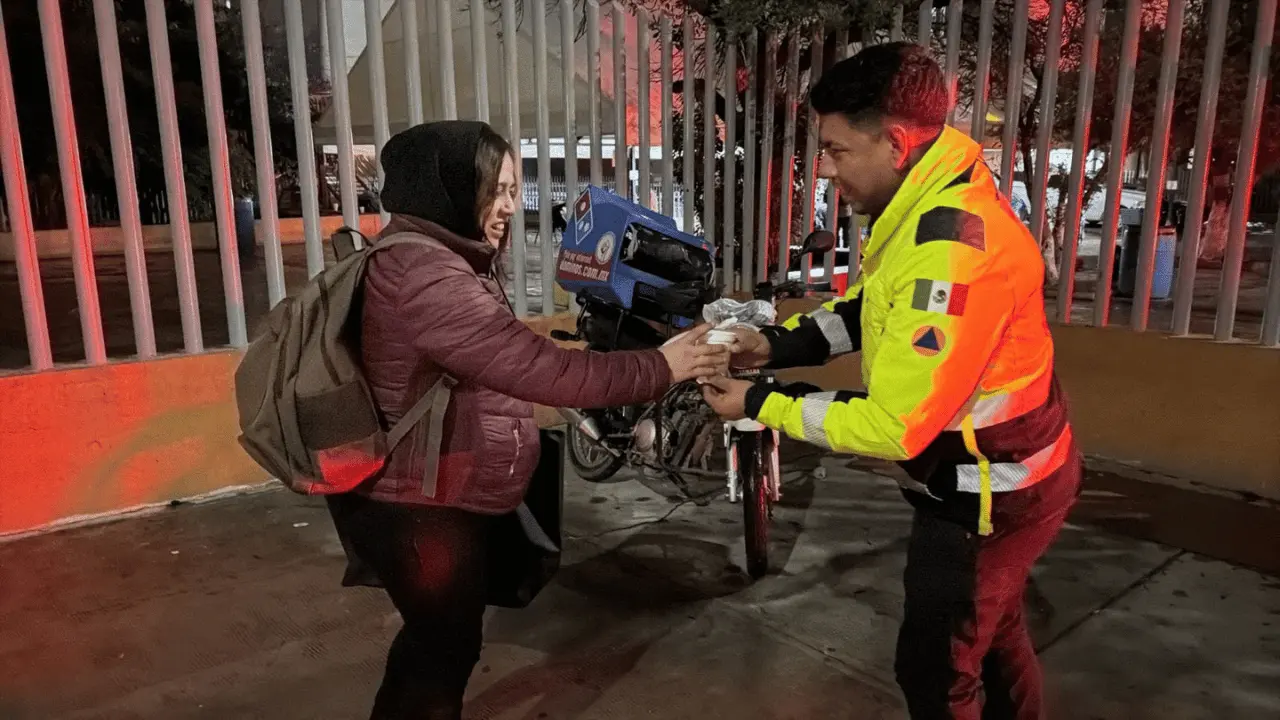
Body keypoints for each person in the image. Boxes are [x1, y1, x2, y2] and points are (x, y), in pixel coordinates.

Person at [699, 43, 1081, 720]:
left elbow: (894, 427)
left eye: (838, 150)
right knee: (997, 637)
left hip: (986, 498)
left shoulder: (950, 253)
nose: (824, 169)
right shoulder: (926, 207)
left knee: (936, 672)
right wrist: (776, 346)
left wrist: (761, 403)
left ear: (897, 142)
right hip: (1007, 477)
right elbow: (873, 310)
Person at [327, 121, 728, 720]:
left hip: (432, 489)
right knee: (440, 650)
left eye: (514, 189)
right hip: (419, 502)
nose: (510, 206)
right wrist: (660, 367)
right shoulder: (428, 277)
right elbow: (543, 373)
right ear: (450, 188)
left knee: (439, 641)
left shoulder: (438, 256)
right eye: (498, 189)